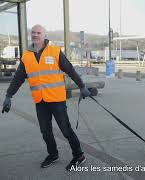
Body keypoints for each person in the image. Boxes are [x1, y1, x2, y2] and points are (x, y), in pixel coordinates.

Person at [2, 24, 91, 171]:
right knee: (45, 131)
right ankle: (53, 154)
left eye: (38, 32)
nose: (35, 35)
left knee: (65, 130)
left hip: (57, 100)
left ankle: (79, 155)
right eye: (33, 32)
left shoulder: (55, 51)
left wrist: (82, 86)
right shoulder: (26, 56)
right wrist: (8, 96)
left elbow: (70, 69)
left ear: (44, 35)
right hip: (40, 101)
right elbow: (18, 78)